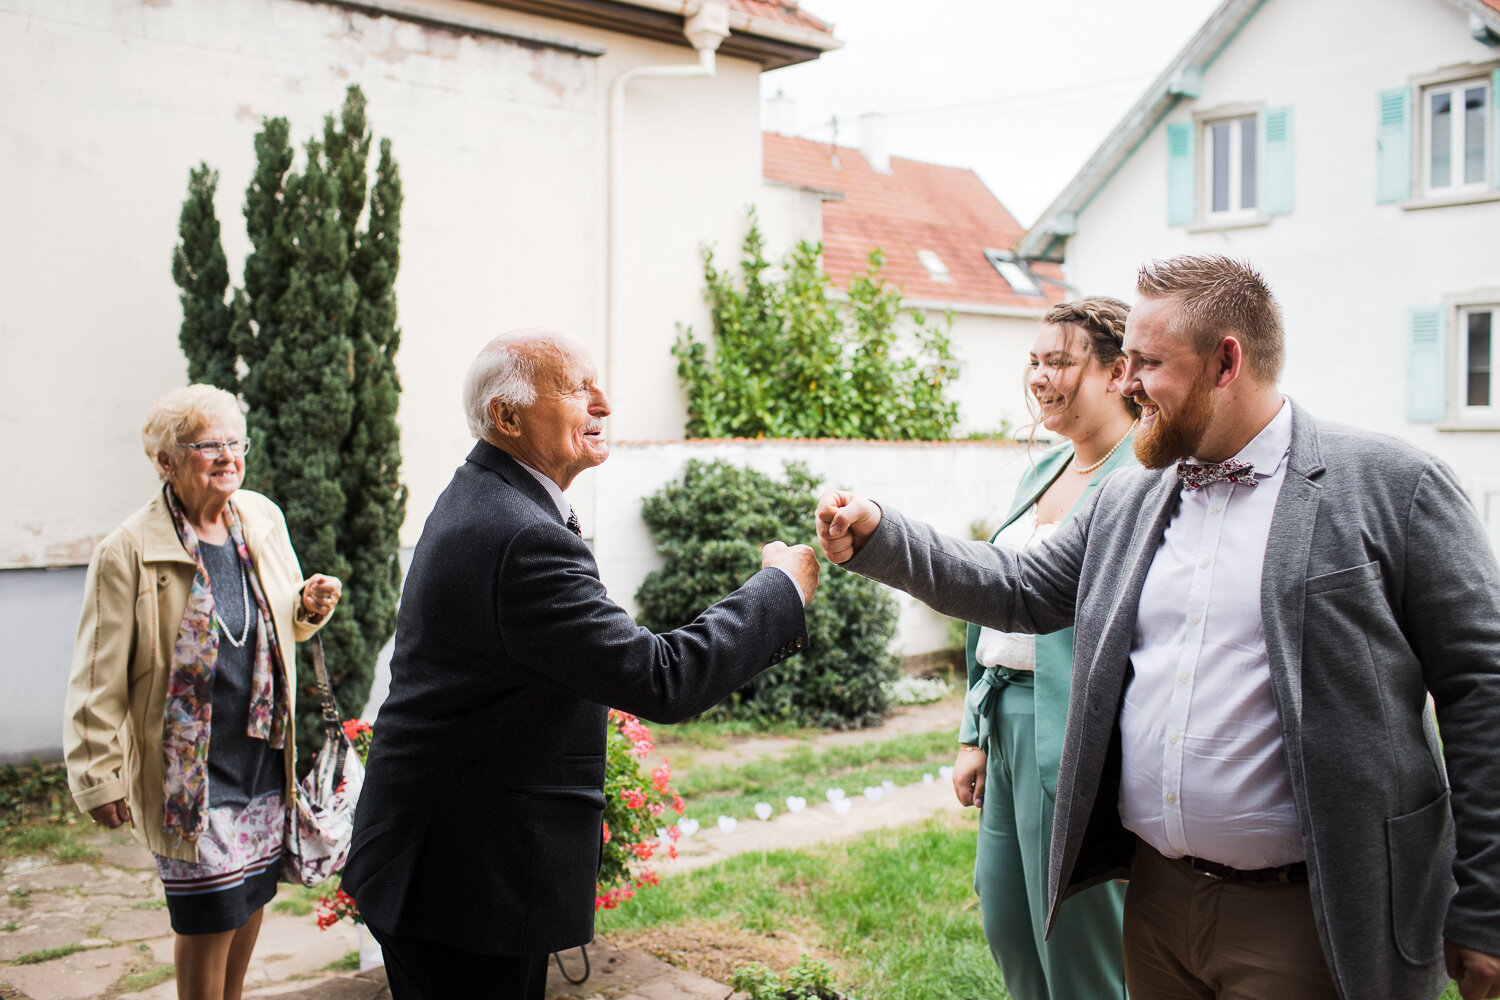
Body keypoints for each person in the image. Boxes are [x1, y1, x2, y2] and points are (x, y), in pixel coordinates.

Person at [817, 255, 1500, 1000]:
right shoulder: (1130, 496)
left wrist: (1488, 903)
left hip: (1315, 914)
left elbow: (1481, 690)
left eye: (1146, 362)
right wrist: (883, 535)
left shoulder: (1393, 487)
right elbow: (1019, 589)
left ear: (1225, 363)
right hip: (1158, 905)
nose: (1126, 381)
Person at [341, 327, 819, 1000]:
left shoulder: (494, 497)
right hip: (464, 883)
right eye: (575, 388)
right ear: (506, 417)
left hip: (451, 866)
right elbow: (661, 677)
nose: (603, 403)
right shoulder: (521, 532)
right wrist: (779, 591)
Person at [64, 384, 342, 1000]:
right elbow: (97, 672)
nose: (226, 456)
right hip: (188, 772)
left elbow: (280, 620)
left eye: (233, 441)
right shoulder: (129, 550)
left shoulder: (260, 517)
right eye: (206, 444)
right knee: (208, 917)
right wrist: (98, 774)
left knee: (249, 902)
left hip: (263, 755)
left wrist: (308, 605)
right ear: (166, 460)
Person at [954, 297, 1136, 1000]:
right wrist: (974, 729)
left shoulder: (1141, 478)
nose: (1039, 376)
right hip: (1006, 720)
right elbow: (998, 610)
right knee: (1006, 919)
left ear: (1119, 372)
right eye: (1034, 360)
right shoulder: (1046, 470)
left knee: (1077, 939)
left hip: (1074, 731)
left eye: (1060, 361)